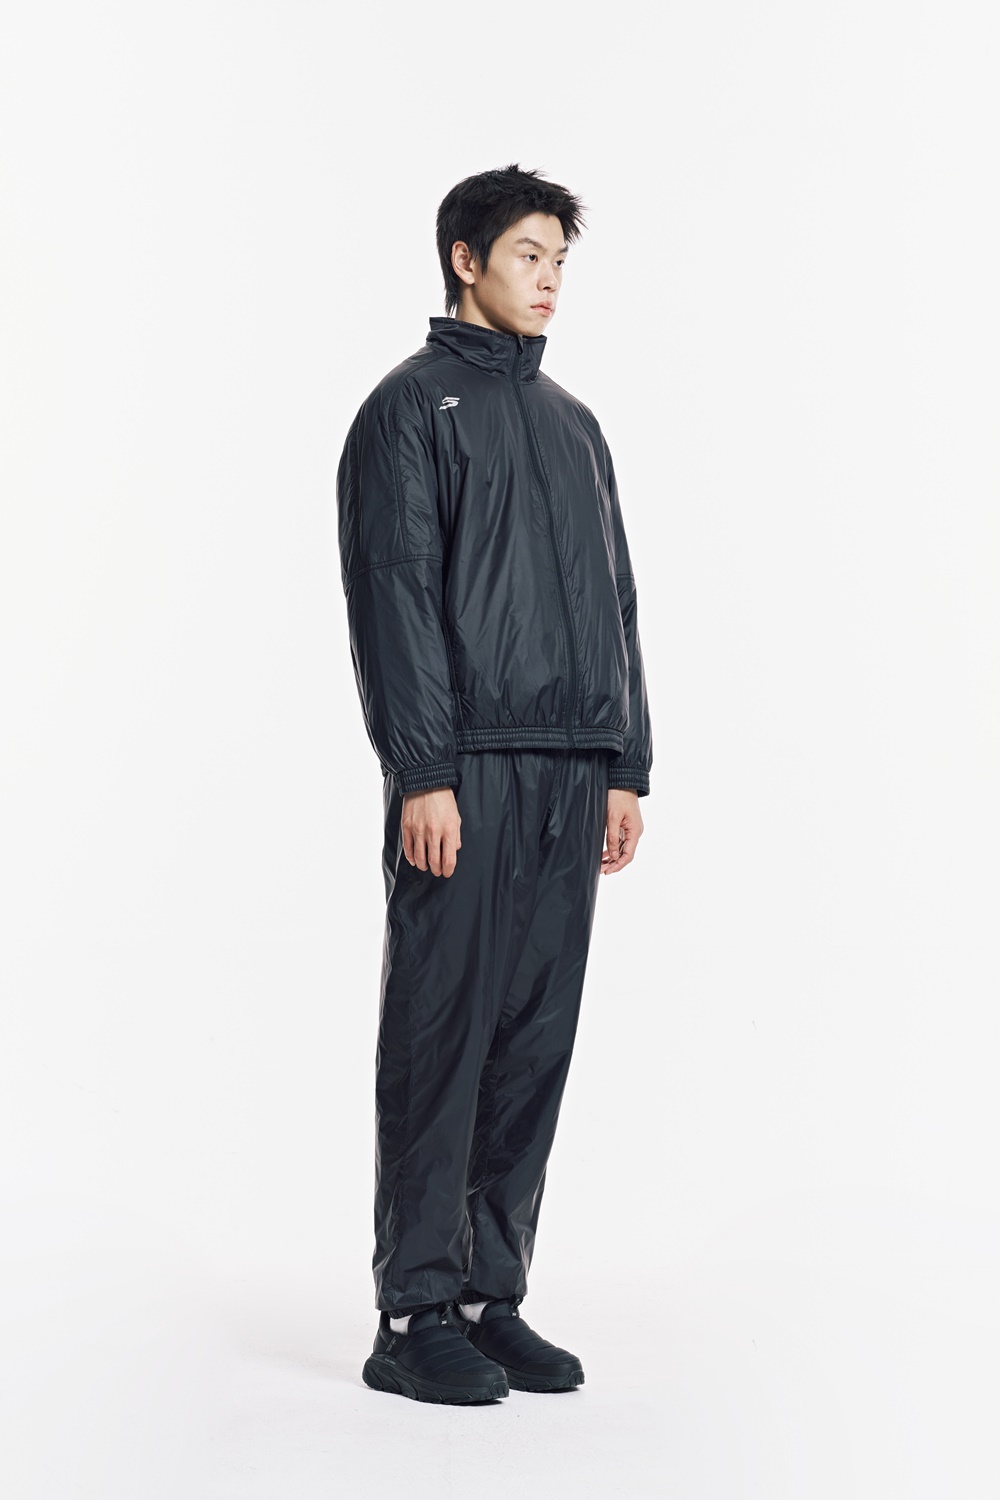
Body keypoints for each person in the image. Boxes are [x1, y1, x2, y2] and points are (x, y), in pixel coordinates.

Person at [335, 163, 653, 1405]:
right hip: (464, 770)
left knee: (530, 1042)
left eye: (560, 260)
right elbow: (396, 596)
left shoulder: (574, 424)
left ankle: (488, 1294)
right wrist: (421, 769)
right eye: (529, 254)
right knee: (442, 1033)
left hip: (571, 773)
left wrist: (625, 761)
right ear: (465, 261)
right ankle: (413, 1312)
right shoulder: (408, 411)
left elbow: (617, 603)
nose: (550, 279)